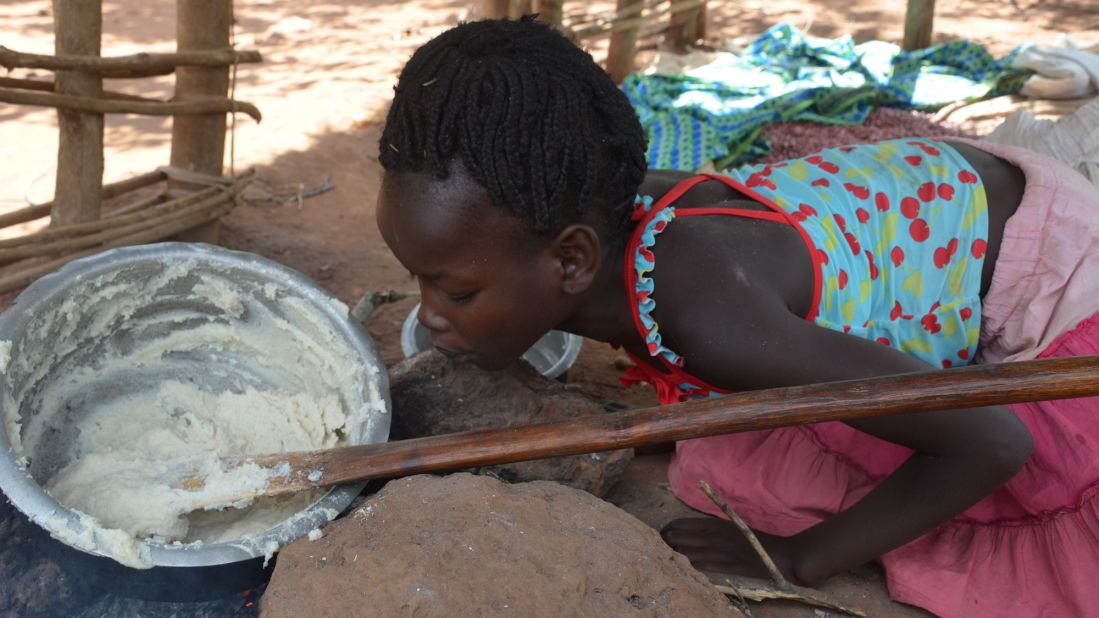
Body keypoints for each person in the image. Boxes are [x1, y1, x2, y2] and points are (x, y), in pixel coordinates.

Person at [374, 16, 1099, 618]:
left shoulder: (713, 324)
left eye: (455, 292)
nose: (428, 315)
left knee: (786, 482)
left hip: (1049, 271)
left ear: (569, 263)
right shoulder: (595, 219)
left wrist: (801, 558)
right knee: (734, 449)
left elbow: (989, 440)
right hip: (945, 195)